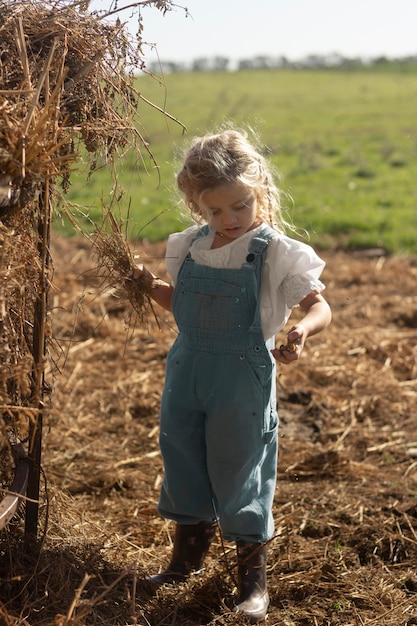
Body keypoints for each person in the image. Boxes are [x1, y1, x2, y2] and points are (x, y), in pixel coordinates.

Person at [133, 128, 331, 623]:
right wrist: (150, 286)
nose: (229, 220)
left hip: (242, 375)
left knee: (240, 464)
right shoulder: (189, 246)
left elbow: (319, 304)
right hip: (186, 368)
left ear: (258, 190)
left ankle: (252, 583)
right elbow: (182, 304)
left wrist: (302, 331)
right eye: (215, 211)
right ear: (196, 206)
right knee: (182, 456)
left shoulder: (275, 250)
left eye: (240, 206)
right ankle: (183, 562)